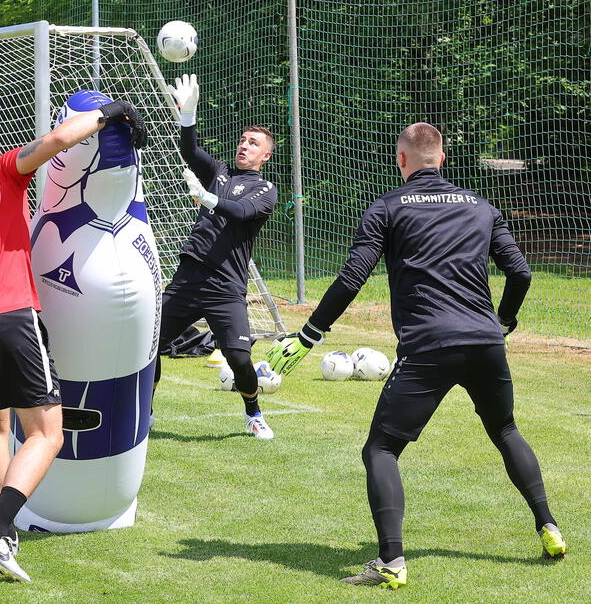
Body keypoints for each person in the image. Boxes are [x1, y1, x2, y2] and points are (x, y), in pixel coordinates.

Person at [269, 122, 567, 588]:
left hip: (429, 345)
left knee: (381, 449)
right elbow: (521, 273)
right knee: (505, 429)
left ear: (401, 160)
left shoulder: (387, 206)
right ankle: (549, 526)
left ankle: (391, 562)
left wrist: (309, 334)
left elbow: (352, 279)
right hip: (486, 343)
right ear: (442, 159)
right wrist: (503, 323)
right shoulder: (481, 207)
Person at [0, 101, 146, 582]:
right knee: (47, 433)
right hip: (11, 319)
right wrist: (109, 113)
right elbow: (61, 140)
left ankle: (5, 526)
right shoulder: (2, 171)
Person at [154, 73, 278, 439]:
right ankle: (143, 412)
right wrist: (187, 116)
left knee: (239, 357)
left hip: (225, 287)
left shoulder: (265, 189)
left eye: (253, 143)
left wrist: (206, 198)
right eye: (242, 140)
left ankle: (253, 413)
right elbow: (190, 152)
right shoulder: (220, 172)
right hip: (188, 279)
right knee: (147, 347)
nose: (244, 146)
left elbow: (239, 213)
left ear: (265, 155)